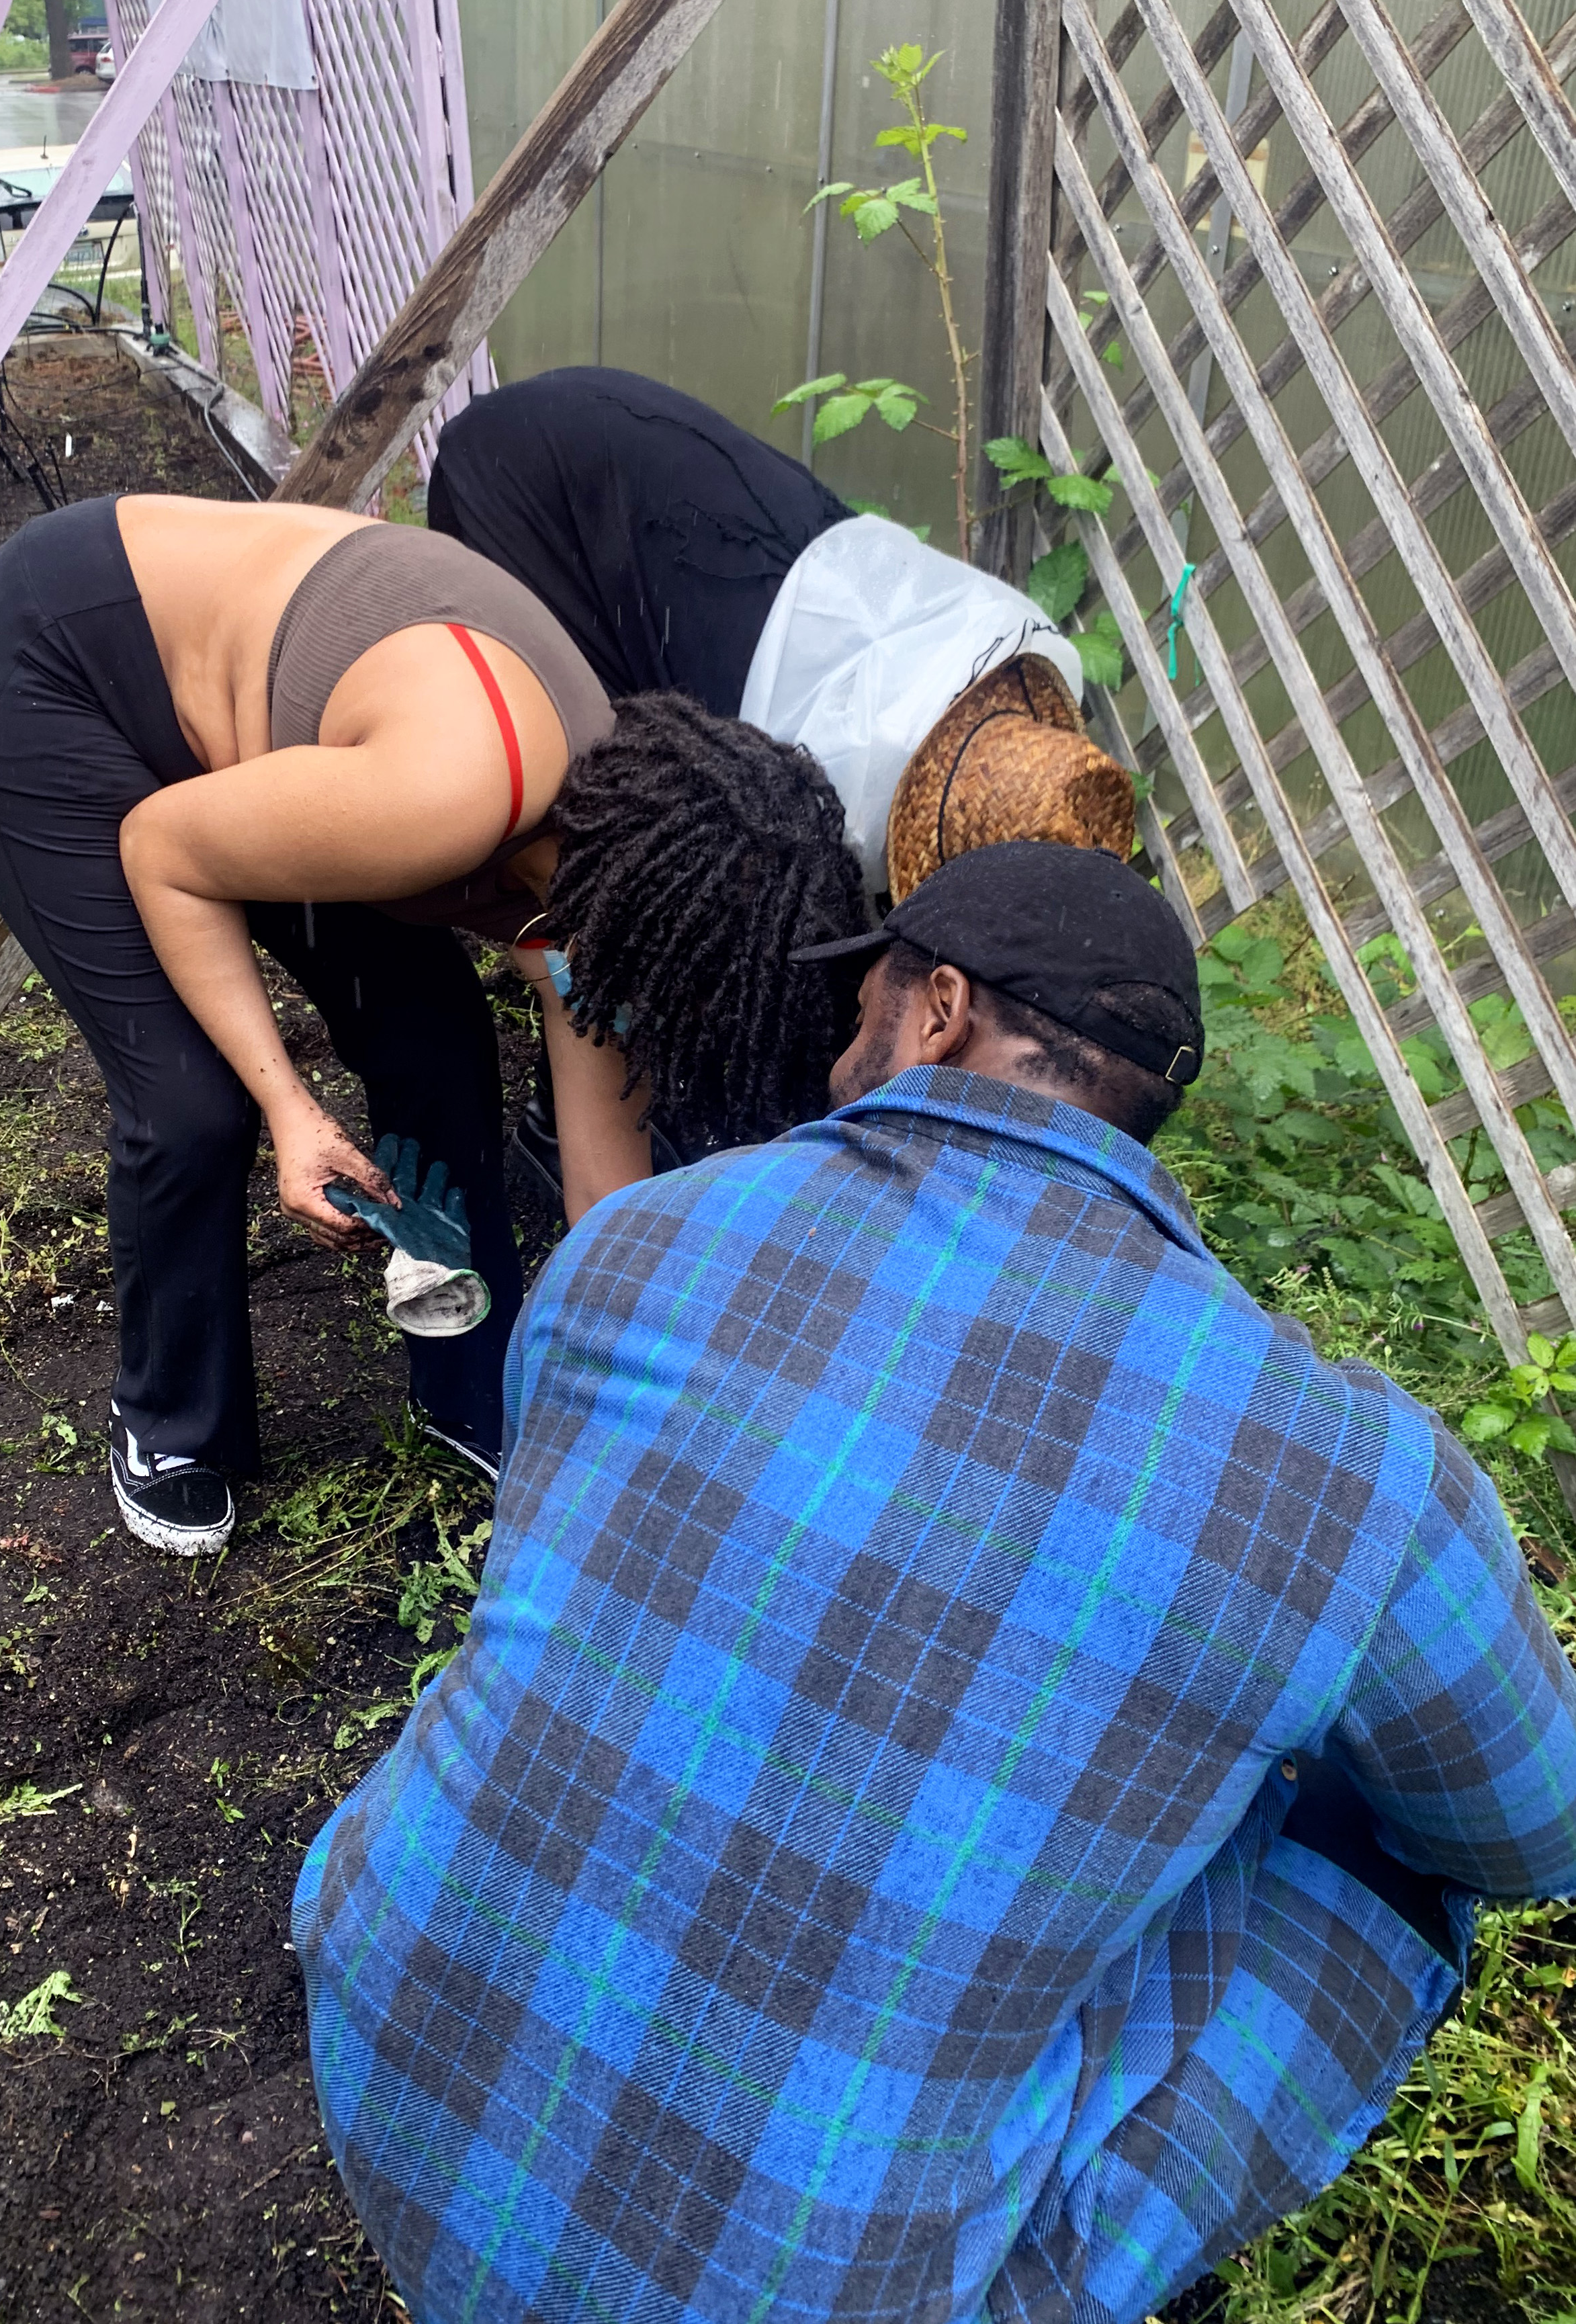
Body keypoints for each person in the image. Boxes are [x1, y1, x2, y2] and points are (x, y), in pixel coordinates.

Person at [293, 840, 1576, 2324]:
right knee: (1403, 1851)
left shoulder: (641, 1235)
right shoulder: (1359, 1476)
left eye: (865, 1009)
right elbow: (1538, 1833)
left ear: (943, 1010)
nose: (841, 1056)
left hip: (382, 2056)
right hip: (798, 2293)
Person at [0, 492, 865, 1555]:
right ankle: (168, 1424)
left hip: (292, 741)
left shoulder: (627, 855)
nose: (656, 1025)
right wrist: (287, 1103)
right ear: (657, 934)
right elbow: (163, 851)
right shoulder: (447, 798)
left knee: (436, 1041)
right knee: (194, 1102)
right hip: (62, 670)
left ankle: (471, 1386)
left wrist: (660, 1416)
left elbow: (609, 1207)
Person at [427, 366, 1136, 1197]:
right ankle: (569, 1116)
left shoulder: (1003, 702)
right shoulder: (814, 782)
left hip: (690, 526)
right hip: (543, 491)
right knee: (598, 839)